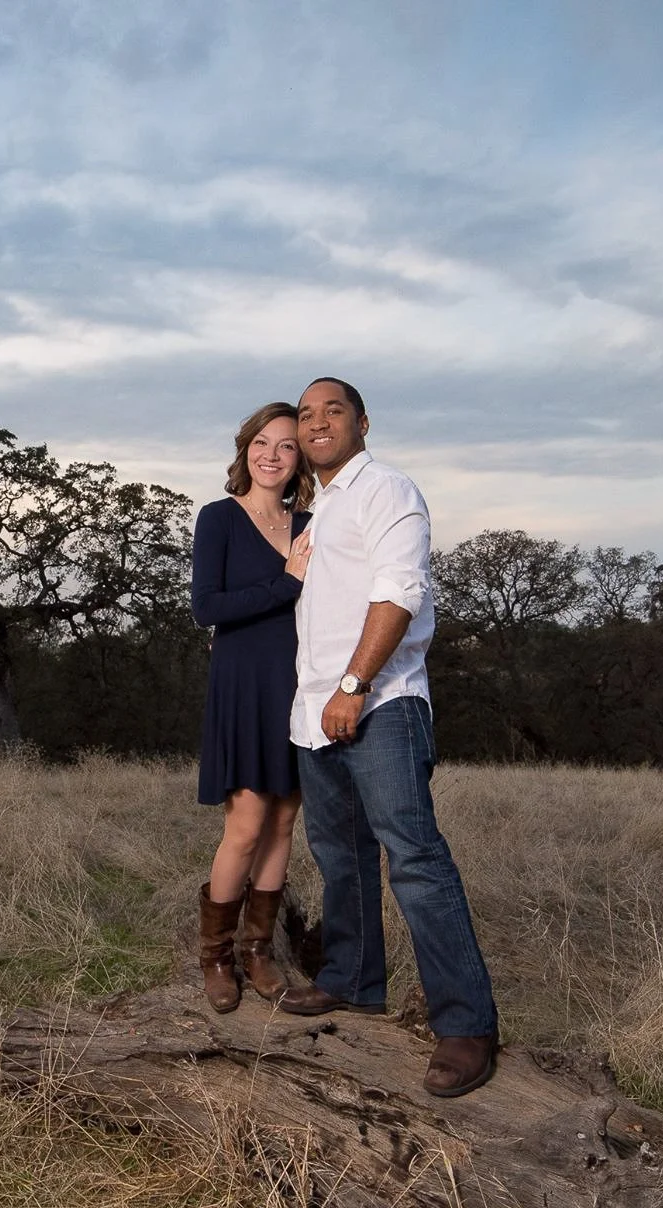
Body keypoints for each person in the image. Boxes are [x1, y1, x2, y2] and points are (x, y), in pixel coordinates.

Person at [275, 377, 501, 1098]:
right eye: (306, 414)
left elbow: (400, 591)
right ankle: (353, 980)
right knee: (339, 856)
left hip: (378, 705)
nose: (317, 423)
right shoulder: (316, 511)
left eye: (332, 411)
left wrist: (353, 686)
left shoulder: (387, 490)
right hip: (315, 714)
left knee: (414, 858)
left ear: (362, 423)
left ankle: (465, 1026)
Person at [189, 401, 315, 1013]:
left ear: (300, 460)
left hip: (300, 684)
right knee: (246, 822)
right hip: (244, 683)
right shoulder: (219, 518)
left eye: (286, 446)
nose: (271, 454)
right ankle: (215, 956)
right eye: (262, 442)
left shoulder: (311, 523)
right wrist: (287, 582)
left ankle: (259, 951)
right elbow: (206, 608)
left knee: (286, 819)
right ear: (246, 450)